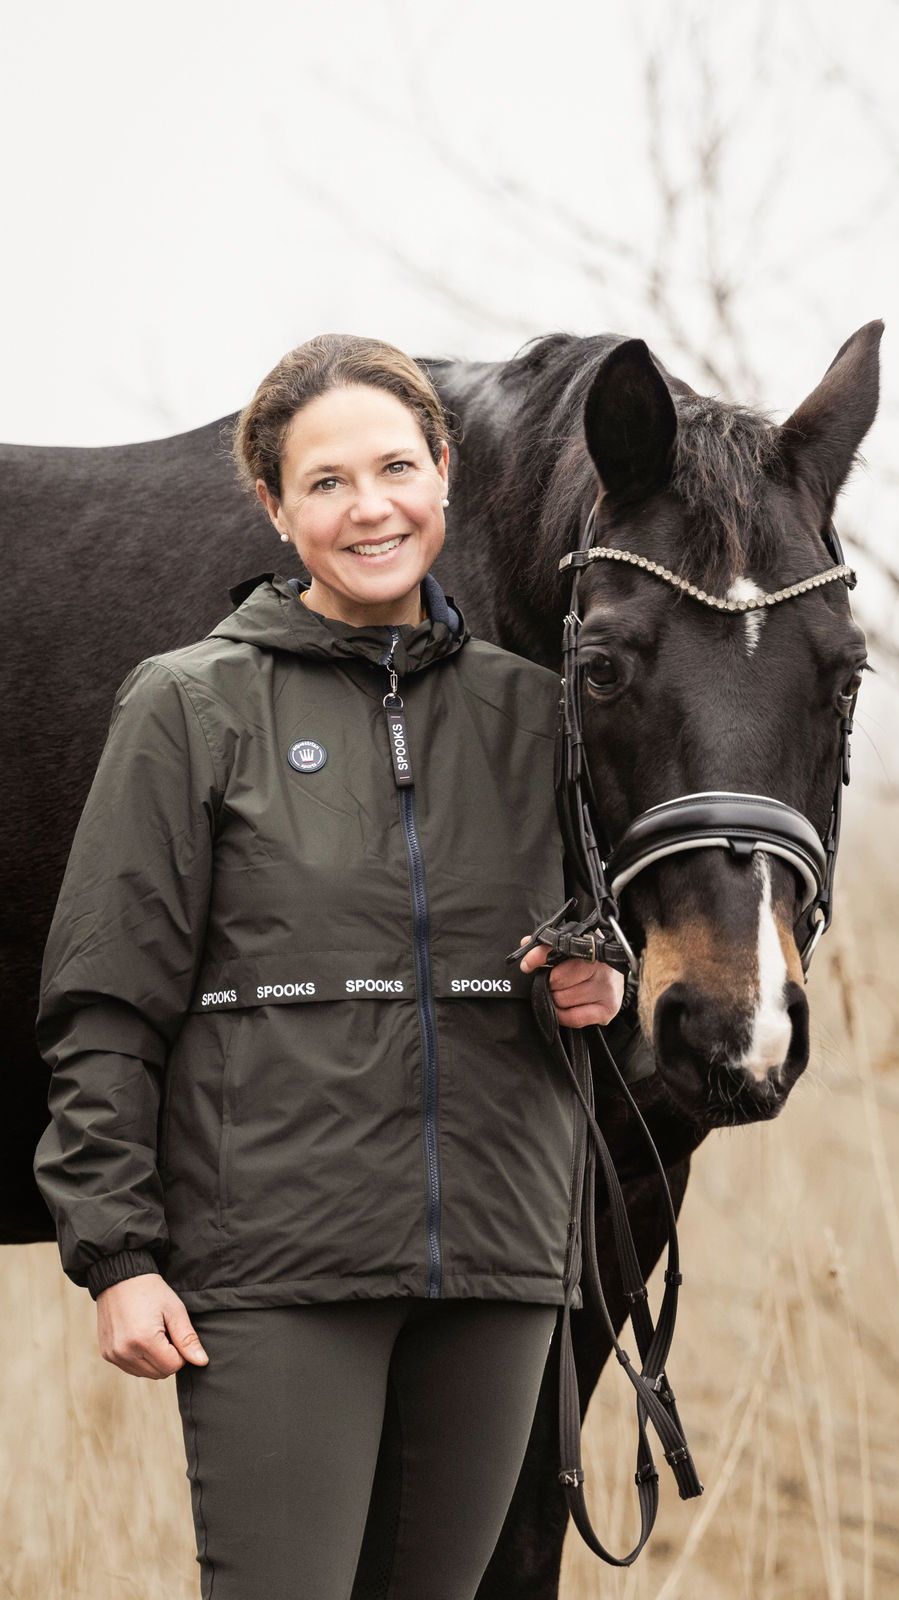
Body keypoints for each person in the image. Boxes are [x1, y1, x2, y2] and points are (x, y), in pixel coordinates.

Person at [34, 334, 626, 1600]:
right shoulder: (187, 705)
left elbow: (579, 951)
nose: (371, 508)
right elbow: (105, 1004)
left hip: (498, 1267)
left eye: (396, 468)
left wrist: (593, 985)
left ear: (445, 473)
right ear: (275, 507)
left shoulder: (541, 715)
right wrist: (117, 1255)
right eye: (327, 481)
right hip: (276, 1272)